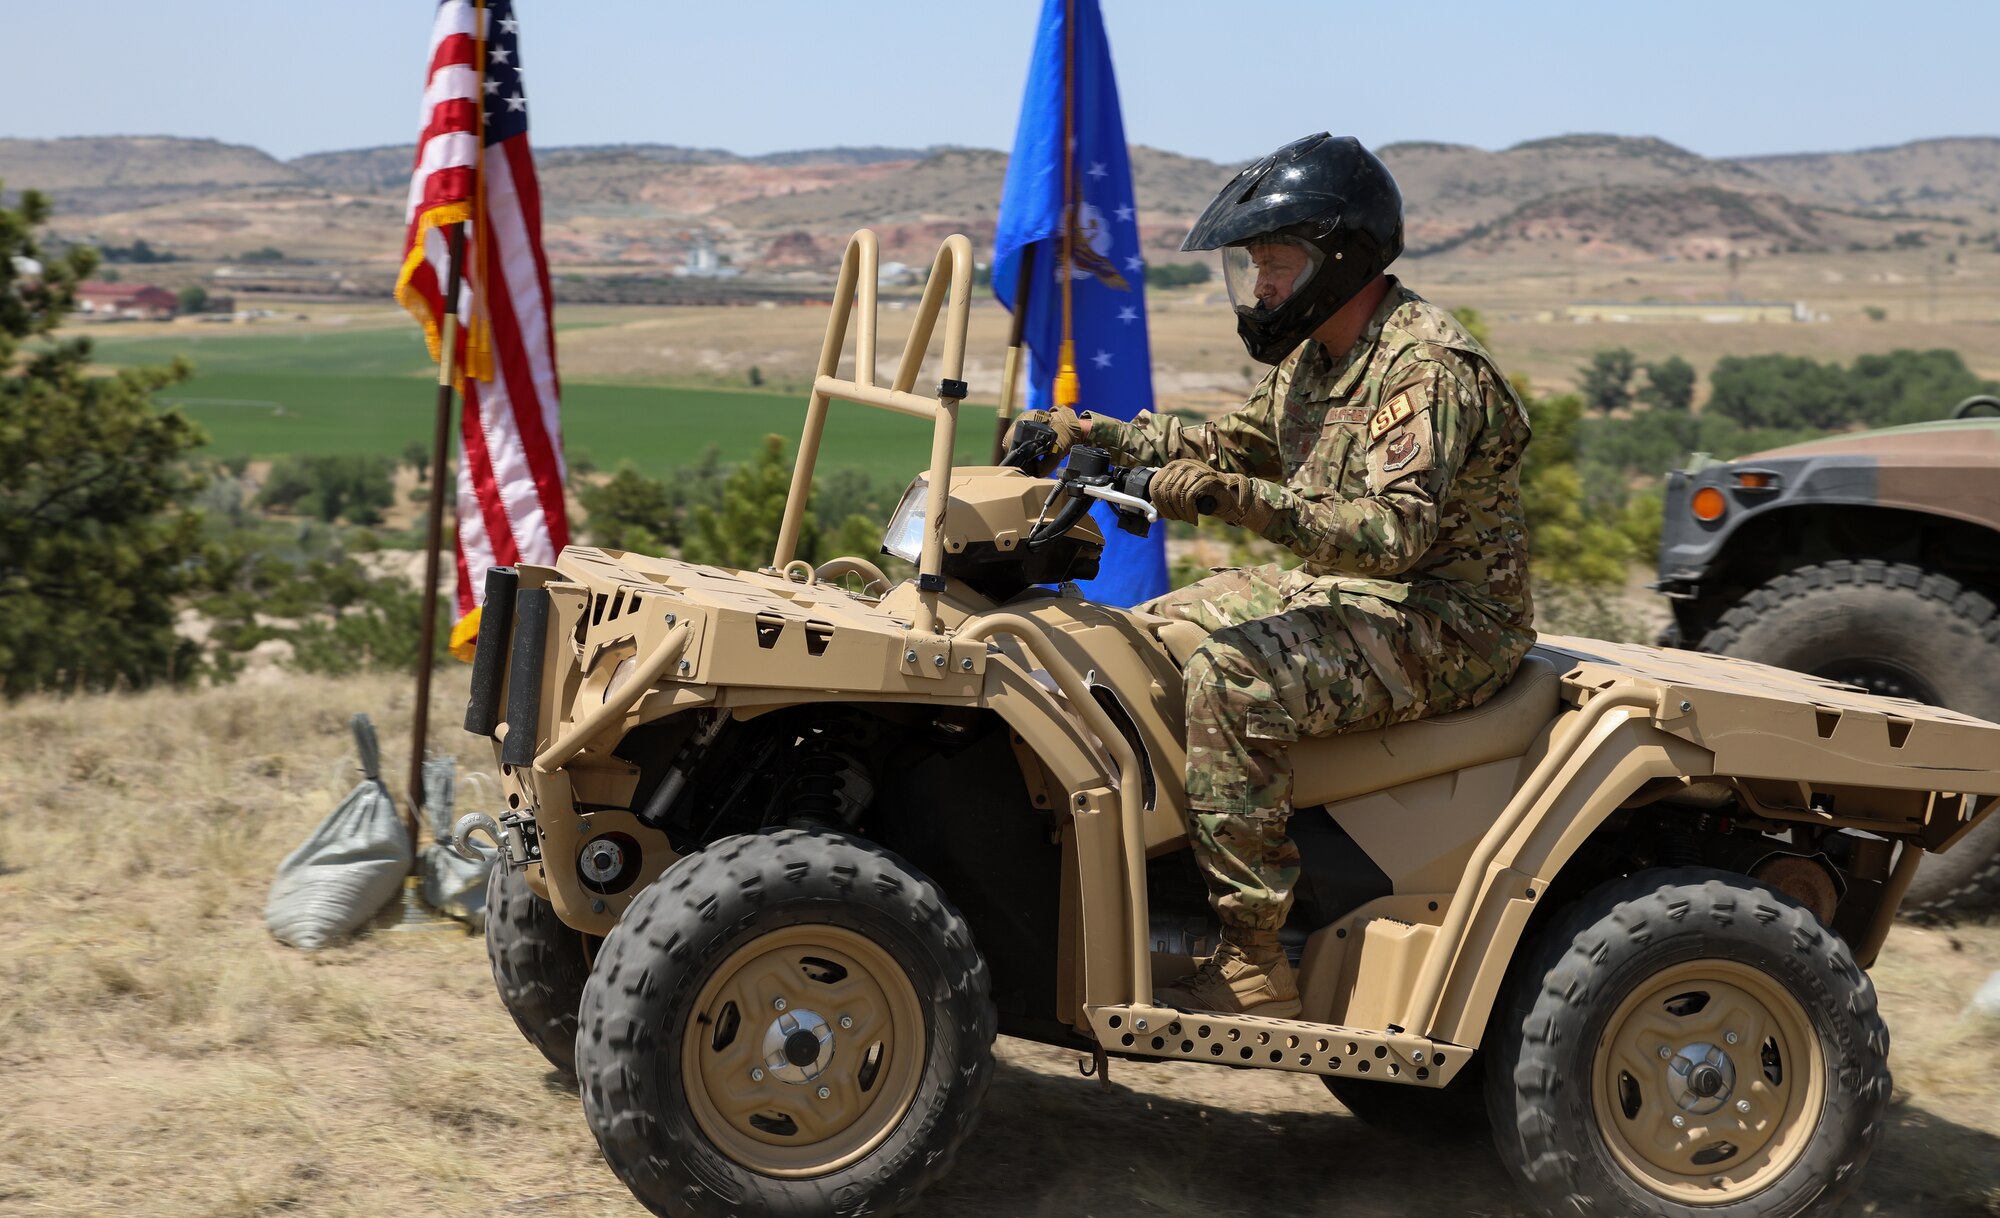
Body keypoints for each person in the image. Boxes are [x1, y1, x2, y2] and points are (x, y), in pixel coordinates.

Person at [1015, 133, 1534, 1017]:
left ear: (1341, 260)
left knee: (1232, 674)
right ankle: (1153, 871)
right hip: (1362, 597)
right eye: (1254, 265)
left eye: (1277, 264)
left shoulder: (1426, 368)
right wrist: (1090, 430)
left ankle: (1254, 955)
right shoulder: (1322, 356)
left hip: (1449, 620)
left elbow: (1391, 536)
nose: (1260, 287)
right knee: (1156, 634)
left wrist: (1239, 504)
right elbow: (1231, 446)